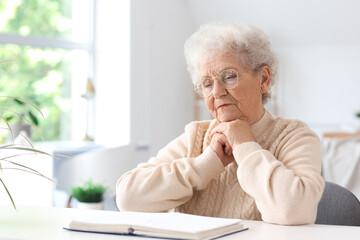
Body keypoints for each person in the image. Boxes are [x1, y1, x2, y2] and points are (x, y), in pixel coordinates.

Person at [116, 21, 324, 225]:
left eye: (229, 77)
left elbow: (294, 211)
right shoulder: (196, 136)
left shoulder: (295, 137)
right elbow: (127, 197)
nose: (216, 92)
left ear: (263, 79)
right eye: (207, 83)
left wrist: (245, 145)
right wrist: (204, 165)